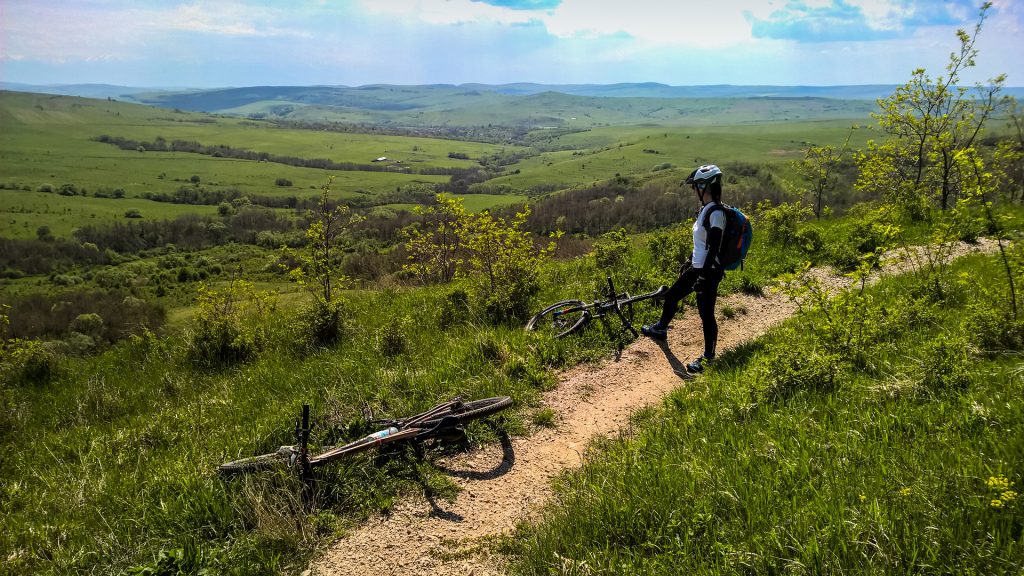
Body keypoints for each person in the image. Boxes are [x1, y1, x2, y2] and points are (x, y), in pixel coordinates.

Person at [641, 164, 726, 373]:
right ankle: (661, 329)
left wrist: (704, 277)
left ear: (704, 187)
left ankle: (708, 357)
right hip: (697, 267)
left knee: (706, 314)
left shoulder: (716, 213)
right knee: (672, 296)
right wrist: (690, 261)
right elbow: (701, 244)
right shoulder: (705, 210)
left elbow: (715, 247)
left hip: (709, 272)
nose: (693, 190)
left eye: (695, 186)